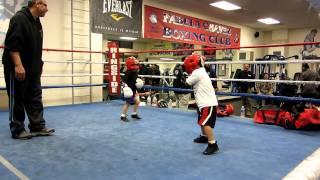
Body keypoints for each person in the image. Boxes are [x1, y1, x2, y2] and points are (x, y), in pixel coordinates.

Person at [2, 0, 54, 140]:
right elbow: (12, 44)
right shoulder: (19, 19)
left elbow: (36, 46)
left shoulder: (37, 22)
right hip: (17, 67)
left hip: (33, 68)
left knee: (35, 97)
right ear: (37, 4)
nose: (47, 9)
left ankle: (37, 126)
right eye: (45, 5)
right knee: (17, 98)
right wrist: (18, 65)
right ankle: (17, 129)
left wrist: (39, 64)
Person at [183, 54, 219, 155]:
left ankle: (213, 144)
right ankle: (204, 137)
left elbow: (186, 83)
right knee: (201, 121)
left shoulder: (197, 72)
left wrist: (180, 76)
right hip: (203, 103)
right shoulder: (200, 71)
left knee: (205, 123)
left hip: (208, 103)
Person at [120, 56, 142, 121]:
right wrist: (126, 88)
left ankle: (134, 114)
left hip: (134, 89)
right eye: (133, 64)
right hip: (130, 90)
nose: (135, 66)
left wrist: (140, 81)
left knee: (137, 102)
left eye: (136, 64)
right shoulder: (128, 72)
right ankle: (123, 116)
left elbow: (135, 79)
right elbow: (123, 81)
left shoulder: (135, 71)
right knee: (128, 103)